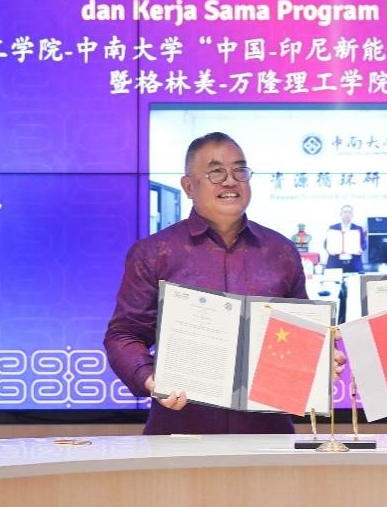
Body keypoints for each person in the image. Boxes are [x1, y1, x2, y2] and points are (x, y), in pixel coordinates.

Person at [104, 132, 342, 434]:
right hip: (180, 429)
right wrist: (150, 378)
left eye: (240, 170)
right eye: (216, 172)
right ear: (188, 186)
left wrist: (319, 357)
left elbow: (299, 336)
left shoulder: (281, 251)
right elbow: (123, 334)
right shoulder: (154, 253)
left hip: (268, 434)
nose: (230, 181)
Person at [324, 204, 367, 273]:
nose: (347, 214)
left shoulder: (358, 228)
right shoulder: (333, 228)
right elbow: (326, 244)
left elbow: (363, 244)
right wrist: (329, 250)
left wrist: (361, 249)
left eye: (349, 212)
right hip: (335, 262)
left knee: (355, 279)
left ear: (352, 215)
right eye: (345, 212)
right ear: (340, 214)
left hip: (353, 262)